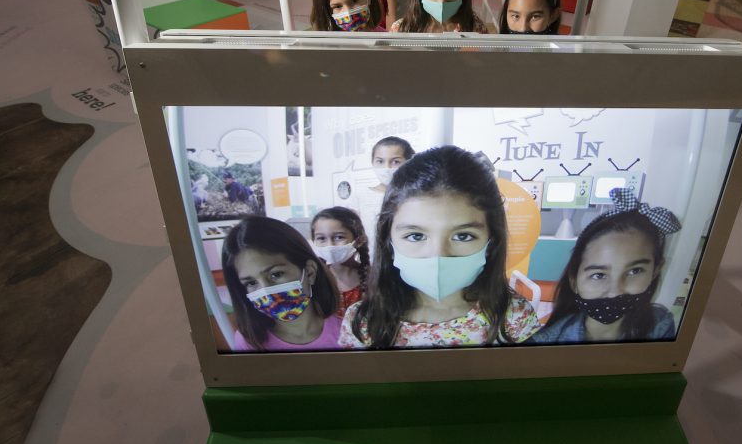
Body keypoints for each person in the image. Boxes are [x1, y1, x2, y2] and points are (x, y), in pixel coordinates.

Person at [340, 146, 540, 349]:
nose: (437, 255)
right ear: (388, 240)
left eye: (463, 236)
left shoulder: (514, 318)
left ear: (492, 240)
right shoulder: (364, 322)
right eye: (416, 236)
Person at [531, 189, 681, 344]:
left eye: (634, 271)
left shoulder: (661, 325)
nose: (615, 292)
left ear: (655, 271)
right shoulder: (545, 341)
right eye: (599, 275)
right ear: (574, 280)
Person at [222, 216, 341, 351]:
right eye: (251, 283)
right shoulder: (250, 344)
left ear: (309, 272)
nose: (266, 290)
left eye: (276, 274)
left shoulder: (346, 331)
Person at [311, 207, 371, 317]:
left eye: (339, 237)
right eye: (321, 238)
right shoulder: (314, 280)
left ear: (359, 240)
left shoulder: (373, 278)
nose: (330, 245)